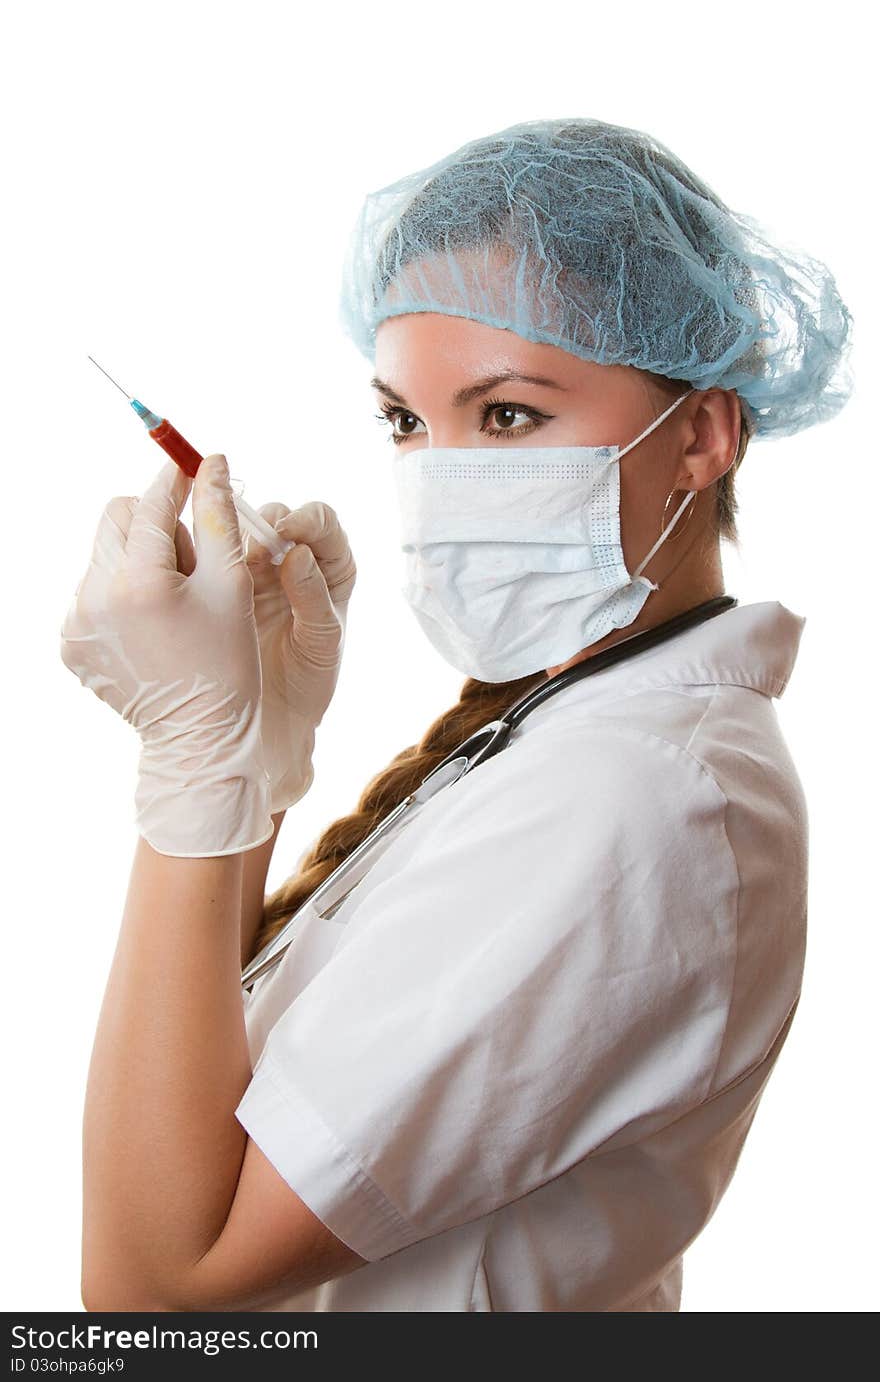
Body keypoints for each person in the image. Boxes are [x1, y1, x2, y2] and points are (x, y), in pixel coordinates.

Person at [62, 117, 853, 1313]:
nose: (439, 473)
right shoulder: (571, 735)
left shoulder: (633, 795)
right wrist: (257, 781)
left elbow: (153, 1295)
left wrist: (193, 771)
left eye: (509, 415)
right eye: (404, 421)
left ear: (699, 434)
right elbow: (204, 1099)